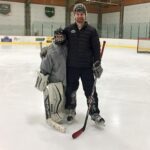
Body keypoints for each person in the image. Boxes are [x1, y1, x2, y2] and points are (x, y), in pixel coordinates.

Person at [64, 3, 105, 124]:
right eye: (77, 14)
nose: (80, 16)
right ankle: (71, 110)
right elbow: (59, 44)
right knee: (71, 90)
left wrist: (97, 63)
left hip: (87, 67)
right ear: (74, 15)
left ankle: (94, 113)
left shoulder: (92, 31)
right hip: (71, 67)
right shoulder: (68, 30)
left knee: (90, 91)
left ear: (85, 15)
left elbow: (96, 49)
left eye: (82, 14)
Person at [35, 28, 67, 124]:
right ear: (54, 37)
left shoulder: (67, 48)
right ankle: (54, 112)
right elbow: (44, 68)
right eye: (57, 37)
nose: (59, 39)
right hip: (55, 81)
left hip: (65, 80)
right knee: (56, 99)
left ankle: (63, 110)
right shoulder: (51, 51)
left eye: (61, 37)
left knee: (64, 98)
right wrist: (42, 80)